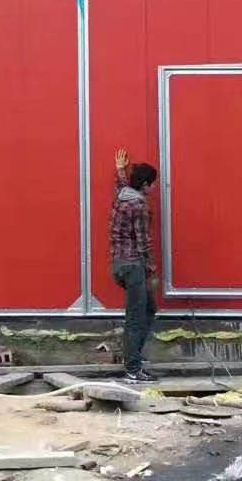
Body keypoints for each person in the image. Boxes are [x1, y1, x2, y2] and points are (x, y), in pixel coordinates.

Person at [110, 148, 158, 382]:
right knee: (137, 316)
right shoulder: (139, 206)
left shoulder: (124, 196)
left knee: (148, 308)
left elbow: (121, 185)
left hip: (120, 264)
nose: (154, 188)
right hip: (134, 265)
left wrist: (120, 170)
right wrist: (151, 268)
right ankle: (133, 369)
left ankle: (133, 356)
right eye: (153, 184)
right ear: (146, 185)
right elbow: (143, 241)